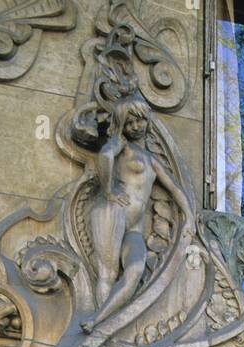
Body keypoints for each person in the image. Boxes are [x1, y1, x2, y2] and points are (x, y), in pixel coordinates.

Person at [81, 95, 194, 333]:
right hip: (112, 212)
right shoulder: (121, 146)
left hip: (134, 228)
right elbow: (105, 155)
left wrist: (190, 218)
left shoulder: (152, 161)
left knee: (134, 272)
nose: (135, 127)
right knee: (108, 273)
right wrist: (109, 190)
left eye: (139, 121)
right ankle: (97, 329)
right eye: (129, 122)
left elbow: (175, 189)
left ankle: (101, 321)